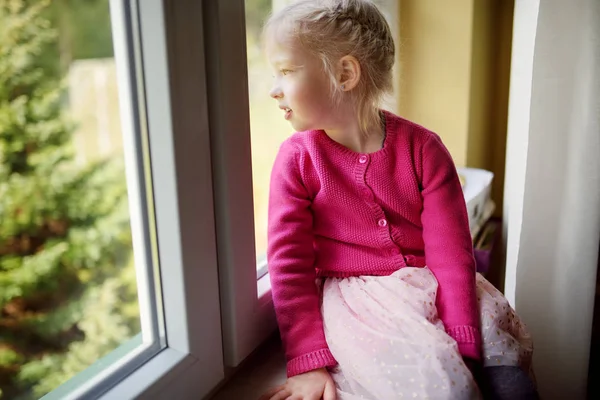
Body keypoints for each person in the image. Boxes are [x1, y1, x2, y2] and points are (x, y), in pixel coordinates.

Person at [260, 1, 535, 399]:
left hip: (440, 288)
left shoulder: (424, 148)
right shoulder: (297, 159)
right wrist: (308, 360)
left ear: (345, 73)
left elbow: (453, 253)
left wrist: (463, 337)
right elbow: (289, 267)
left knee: (508, 377)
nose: (273, 89)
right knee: (439, 385)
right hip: (362, 305)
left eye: (285, 72)